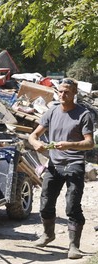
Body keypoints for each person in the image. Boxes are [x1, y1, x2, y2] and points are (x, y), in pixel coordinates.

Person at [28, 78, 94, 259]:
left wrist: (69, 145)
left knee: (72, 206)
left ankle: (74, 246)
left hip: (74, 165)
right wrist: (36, 144)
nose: (62, 94)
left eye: (67, 92)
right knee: (45, 203)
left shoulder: (84, 115)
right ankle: (48, 234)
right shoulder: (51, 112)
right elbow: (33, 136)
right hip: (54, 165)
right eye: (60, 91)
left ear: (74, 94)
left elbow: (89, 143)